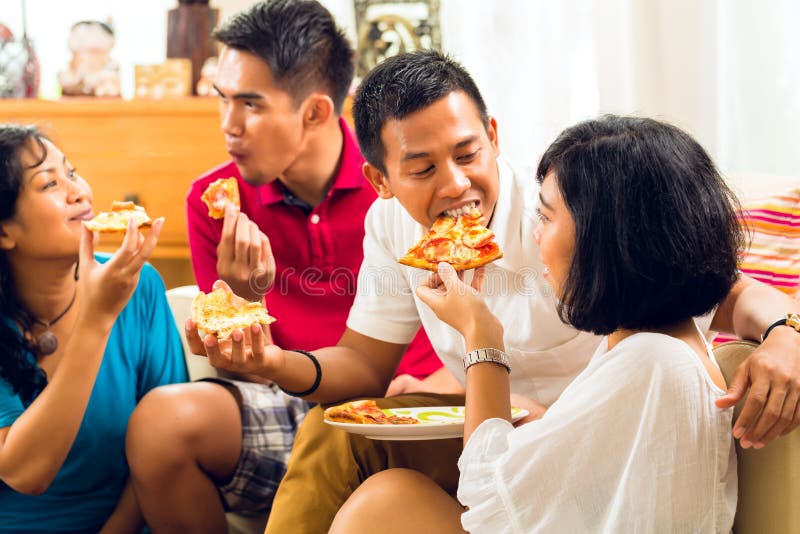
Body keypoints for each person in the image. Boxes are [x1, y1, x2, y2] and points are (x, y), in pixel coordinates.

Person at [187, 50, 800, 533]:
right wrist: (271, 362)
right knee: (330, 433)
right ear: (380, 179)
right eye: (422, 169)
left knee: (385, 505)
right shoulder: (395, 226)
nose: (455, 186)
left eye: (467, 153)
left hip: (585, 438)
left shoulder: (577, 208)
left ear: (494, 136)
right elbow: (362, 365)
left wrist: (788, 333)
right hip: (505, 431)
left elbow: (718, 285)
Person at [125, 2, 455, 532]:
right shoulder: (215, 202)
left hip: (409, 402)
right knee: (161, 423)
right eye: (223, 99)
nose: (228, 126)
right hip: (289, 400)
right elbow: (238, 370)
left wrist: (448, 375)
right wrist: (239, 302)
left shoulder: (406, 186)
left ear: (317, 112)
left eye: (251, 105)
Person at [329, 115, 743, 532]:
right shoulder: (645, 349)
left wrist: (481, 336)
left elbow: (487, 497)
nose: (536, 235)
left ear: (606, 240)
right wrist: (542, 416)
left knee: (381, 504)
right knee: (391, 497)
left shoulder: (653, 362)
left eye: (546, 218)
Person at [0, 123, 188, 533]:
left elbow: (169, 446)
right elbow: (25, 472)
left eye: (71, 172)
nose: (80, 192)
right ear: (4, 231)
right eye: (49, 184)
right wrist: (97, 320)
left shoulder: (140, 286)